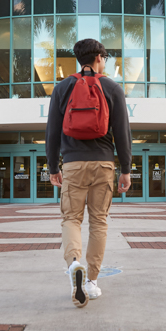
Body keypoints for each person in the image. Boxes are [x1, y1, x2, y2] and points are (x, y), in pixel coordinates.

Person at [46, 38, 132, 308]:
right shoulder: (112, 87)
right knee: (99, 222)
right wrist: (126, 170)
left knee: (71, 218)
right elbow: (122, 133)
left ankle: (73, 264)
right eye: (105, 57)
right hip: (104, 164)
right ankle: (92, 281)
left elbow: (52, 132)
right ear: (98, 58)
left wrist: (52, 166)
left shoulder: (62, 88)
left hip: (72, 164)